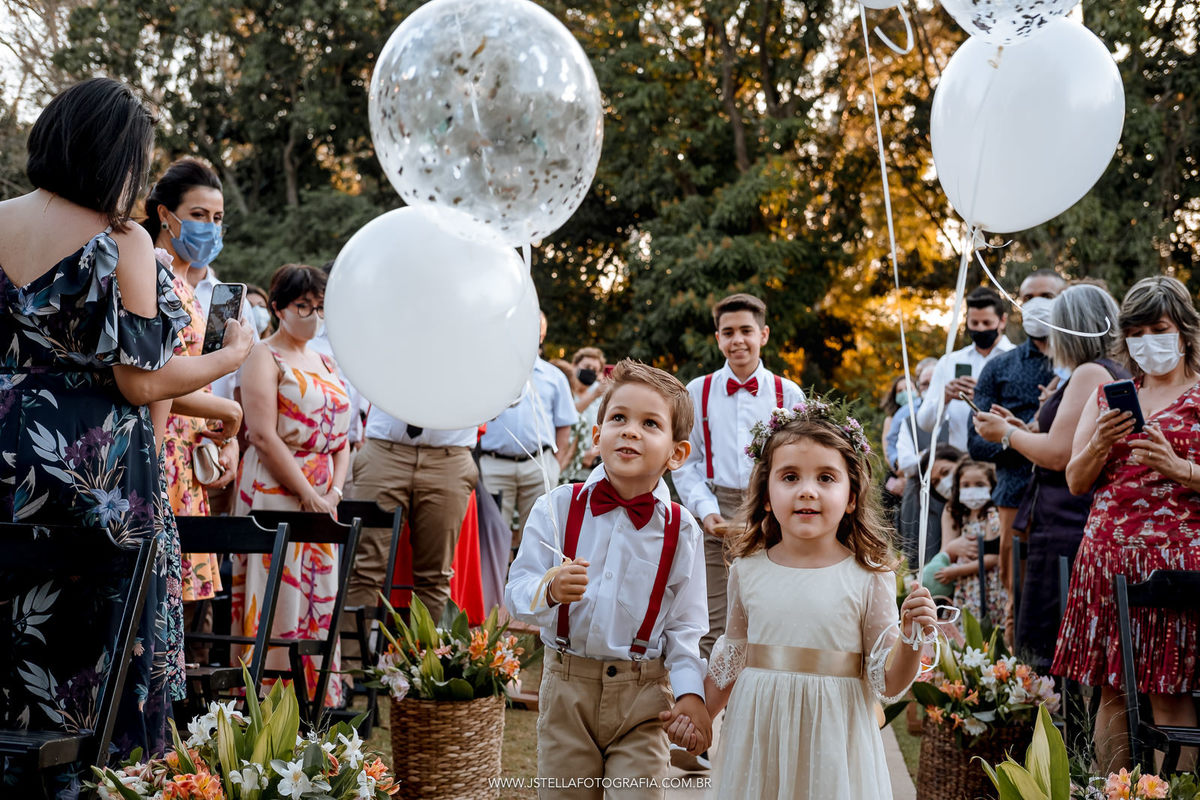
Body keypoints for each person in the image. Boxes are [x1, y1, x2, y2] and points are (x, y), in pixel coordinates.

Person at [0, 78, 254, 774]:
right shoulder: (124, 242)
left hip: (5, 463)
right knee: (103, 658)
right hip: (95, 474)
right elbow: (139, 380)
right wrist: (229, 358)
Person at [671, 399, 937, 798]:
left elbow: (888, 680)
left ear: (851, 497)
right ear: (765, 494)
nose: (808, 491)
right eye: (790, 477)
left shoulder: (869, 576)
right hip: (758, 736)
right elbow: (732, 658)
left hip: (834, 741)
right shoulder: (747, 569)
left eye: (826, 478)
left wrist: (912, 639)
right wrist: (697, 719)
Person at [505, 360, 710, 798]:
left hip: (644, 697)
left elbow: (685, 628)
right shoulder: (557, 509)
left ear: (676, 453)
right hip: (566, 690)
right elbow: (517, 591)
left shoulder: (682, 530)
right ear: (597, 437)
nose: (630, 430)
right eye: (618, 418)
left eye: (650, 423)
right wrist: (550, 589)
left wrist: (691, 692)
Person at [1055, 275, 1200, 773]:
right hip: (1106, 559)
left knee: (1169, 691)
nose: (1147, 342)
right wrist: (1098, 443)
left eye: (1157, 328)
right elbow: (1075, 479)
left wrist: (1179, 469)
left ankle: (1174, 792)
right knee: (1112, 691)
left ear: (1183, 331)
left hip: (1176, 568)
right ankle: (1110, 790)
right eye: (1136, 332)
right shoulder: (1110, 395)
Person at [973, 283, 1127, 669]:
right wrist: (1022, 427)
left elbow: (1059, 454)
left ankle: (1051, 726)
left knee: (1046, 642)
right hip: (1063, 519)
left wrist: (1006, 435)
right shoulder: (1105, 369)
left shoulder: (1091, 372)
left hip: (1065, 522)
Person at [233, 263, 351, 708]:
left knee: (319, 597)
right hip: (275, 487)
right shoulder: (263, 354)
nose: (312, 317)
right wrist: (306, 492)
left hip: (324, 493)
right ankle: (266, 707)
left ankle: (312, 704)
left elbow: (342, 441)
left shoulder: (327, 361)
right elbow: (262, 434)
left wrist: (333, 494)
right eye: (303, 306)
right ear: (279, 307)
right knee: (276, 597)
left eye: (319, 308)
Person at [671, 293, 804, 666]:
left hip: (772, 512)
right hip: (715, 510)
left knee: (768, 616)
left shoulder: (787, 393)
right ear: (718, 339)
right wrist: (705, 509)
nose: (737, 340)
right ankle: (704, 717)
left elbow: (799, 462)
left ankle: (757, 703)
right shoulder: (697, 391)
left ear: (763, 334)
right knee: (712, 620)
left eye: (746, 330)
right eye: (728, 332)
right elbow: (684, 459)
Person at [142, 158, 244, 620]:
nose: (210, 227)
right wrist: (228, 413)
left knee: (180, 614)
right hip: (158, 449)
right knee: (157, 606)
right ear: (166, 214)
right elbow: (157, 378)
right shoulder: (152, 275)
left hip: (189, 452)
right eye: (199, 215)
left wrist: (220, 435)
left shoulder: (181, 281)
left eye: (217, 217)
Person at [967, 270, 1064, 639]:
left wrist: (1018, 436)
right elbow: (976, 443)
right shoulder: (999, 366)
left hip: (1071, 496)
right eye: (1028, 296)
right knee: (1018, 596)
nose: (1037, 303)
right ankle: (1019, 685)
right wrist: (1027, 440)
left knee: (1069, 591)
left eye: (1047, 296)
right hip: (1015, 496)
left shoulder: (1079, 366)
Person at [348, 407, 480, 624]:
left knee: (435, 577)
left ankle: (426, 657)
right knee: (363, 570)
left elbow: (506, 393)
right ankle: (350, 659)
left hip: (449, 455)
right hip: (385, 451)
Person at [478, 312, 577, 546]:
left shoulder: (555, 377)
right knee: (491, 536)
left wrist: (555, 464)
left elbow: (565, 425)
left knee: (538, 536)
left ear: (541, 336)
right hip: (494, 465)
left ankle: (533, 583)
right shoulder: (489, 373)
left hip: (539, 466)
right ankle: (495, 583)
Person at [917, 286, 1014, 452]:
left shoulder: (1016, 358)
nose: (981, 328)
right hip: (962, 464)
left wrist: (984, 396)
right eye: (974, 323)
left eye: (987, 323)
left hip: (1006, 459)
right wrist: (945, 397)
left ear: (1002, 321)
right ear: (966, 320)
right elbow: (925, 424)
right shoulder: (949, 362)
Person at [928, 458, 1005, 628]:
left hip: (987, 586)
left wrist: (956, 571)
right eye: (966, 485)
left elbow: (993, 558)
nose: (972, 490)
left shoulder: (992, 516)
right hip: (966, 588)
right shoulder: (961, 516)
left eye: (979, 484)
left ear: (991, 485)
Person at [563, 347, 607, 483]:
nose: (590, 372)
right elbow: (568, 415)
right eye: (587, 366)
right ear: (575, 366)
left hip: (591, 469)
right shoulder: (565, 389)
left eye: (595, 370)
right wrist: (593, 396)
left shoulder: (600, 395)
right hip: (565, 466)